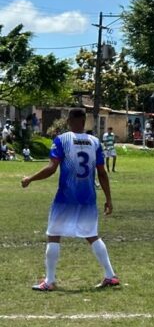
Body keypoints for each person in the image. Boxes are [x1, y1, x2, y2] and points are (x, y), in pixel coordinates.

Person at [20, 108, 120, 291]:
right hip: (88, 198)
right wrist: (108, 199)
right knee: (92, 235)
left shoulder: (62, 140)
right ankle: (110, 275)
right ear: (84, 122)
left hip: (66, 198)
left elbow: (51, 168)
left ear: (69, 121)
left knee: (54, 235)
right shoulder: (95, 142)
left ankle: (49, 281)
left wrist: (30, 179)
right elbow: (102, 173)